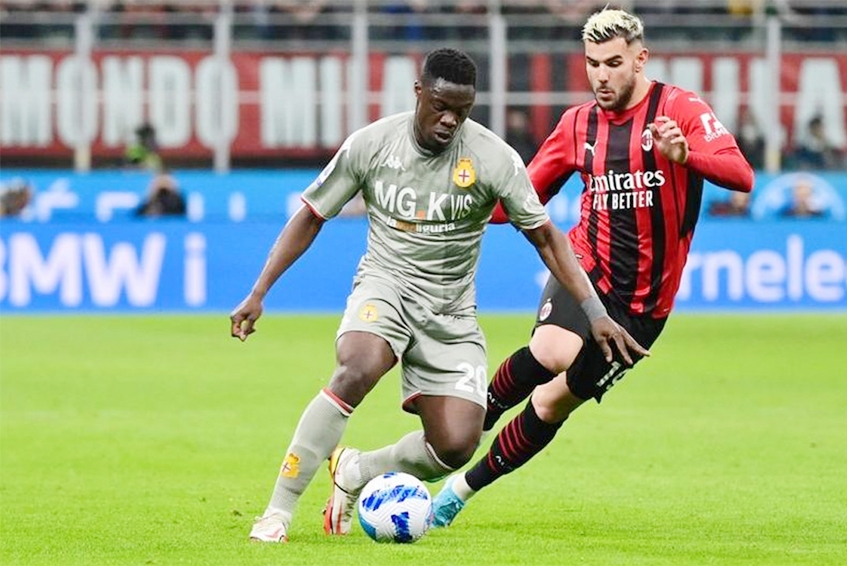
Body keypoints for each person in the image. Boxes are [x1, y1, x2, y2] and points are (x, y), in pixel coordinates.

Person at [230, 47, 647, 543]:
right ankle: (277, 511)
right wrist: (259, 292)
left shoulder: (493, 158)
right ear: (419, 92)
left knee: (455, 445)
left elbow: (547, 238)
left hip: (450, 313)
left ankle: (357, 469)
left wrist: (594, 311)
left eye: (462, 110)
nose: (450, 120)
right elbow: (311, 215)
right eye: (441, 106)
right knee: (356, 368)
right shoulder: (372, 144)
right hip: (384, 288)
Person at [430, 8, 755, 527]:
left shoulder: (682, 109)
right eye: (592, 64)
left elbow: (741, 175)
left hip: (644, 306)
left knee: (554, 404)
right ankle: (458, 431)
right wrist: (456, 206)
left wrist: (686, 152)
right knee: (552, 349)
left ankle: (458, 492)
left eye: (613, 63)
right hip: (585, 267)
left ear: (640, 59)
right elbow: (523, 196)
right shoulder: (577, 124)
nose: (601, 75)